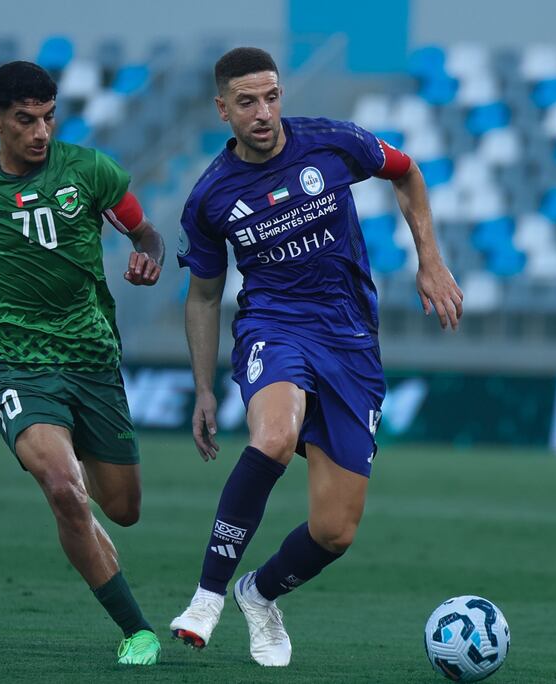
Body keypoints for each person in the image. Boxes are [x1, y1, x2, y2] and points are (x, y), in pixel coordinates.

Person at [169, 47, 464, 666]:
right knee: (274, 438)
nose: (264, 112)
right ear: (223, 109)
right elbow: (202, 295)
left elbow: (407, 172)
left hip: (351, 341)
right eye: (247, 102)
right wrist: (202, 388)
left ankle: (260, 593)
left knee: (335, 531)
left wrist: (430, 259)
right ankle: (208, 596)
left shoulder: (332, 144)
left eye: (272, 96)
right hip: (274, 327)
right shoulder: (210, 199)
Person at [0, 61, 166, 666]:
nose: (40, 133)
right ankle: (136, 630)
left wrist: (148, 256)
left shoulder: (90, 170)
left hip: (91, 356)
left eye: (49, 117)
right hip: (15, 360)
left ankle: (72, 461)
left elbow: (147, 233)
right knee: (62, 490)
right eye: (26, 121)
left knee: (124, 510)